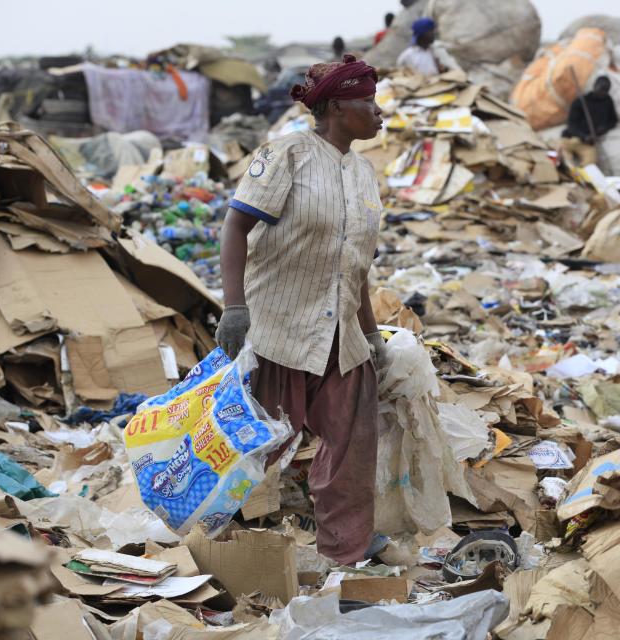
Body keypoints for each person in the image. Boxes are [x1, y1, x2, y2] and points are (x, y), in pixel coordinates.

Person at [215, 55, 386, 565]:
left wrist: (371, 335)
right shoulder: (287, 155)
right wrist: (234, 308)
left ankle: (344, 552)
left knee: (352, 448)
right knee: (253, 446)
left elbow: (355, 265)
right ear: (336, 106)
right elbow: (234, 228)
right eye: (368, 103)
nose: (379, 114)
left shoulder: (363, 173)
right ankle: (218, 547)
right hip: (278, 330)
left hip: (341, 337)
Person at [561, 75, 618, 168]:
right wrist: (584, 136)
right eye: (601, 89)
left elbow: (613, 120)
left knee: (591, 164)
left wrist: (603, 129)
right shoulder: (581, 101)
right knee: (564, 159)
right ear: (595, 86)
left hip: (587, 144)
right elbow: (571, 124)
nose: (603, 93)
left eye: (606, 90)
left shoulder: (608, 101)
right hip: (570, 138)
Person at [396, 17, 460, 77]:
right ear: (422, 34)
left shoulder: (437, 48)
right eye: (430, 31)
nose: (433, 34)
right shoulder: (407, 56)